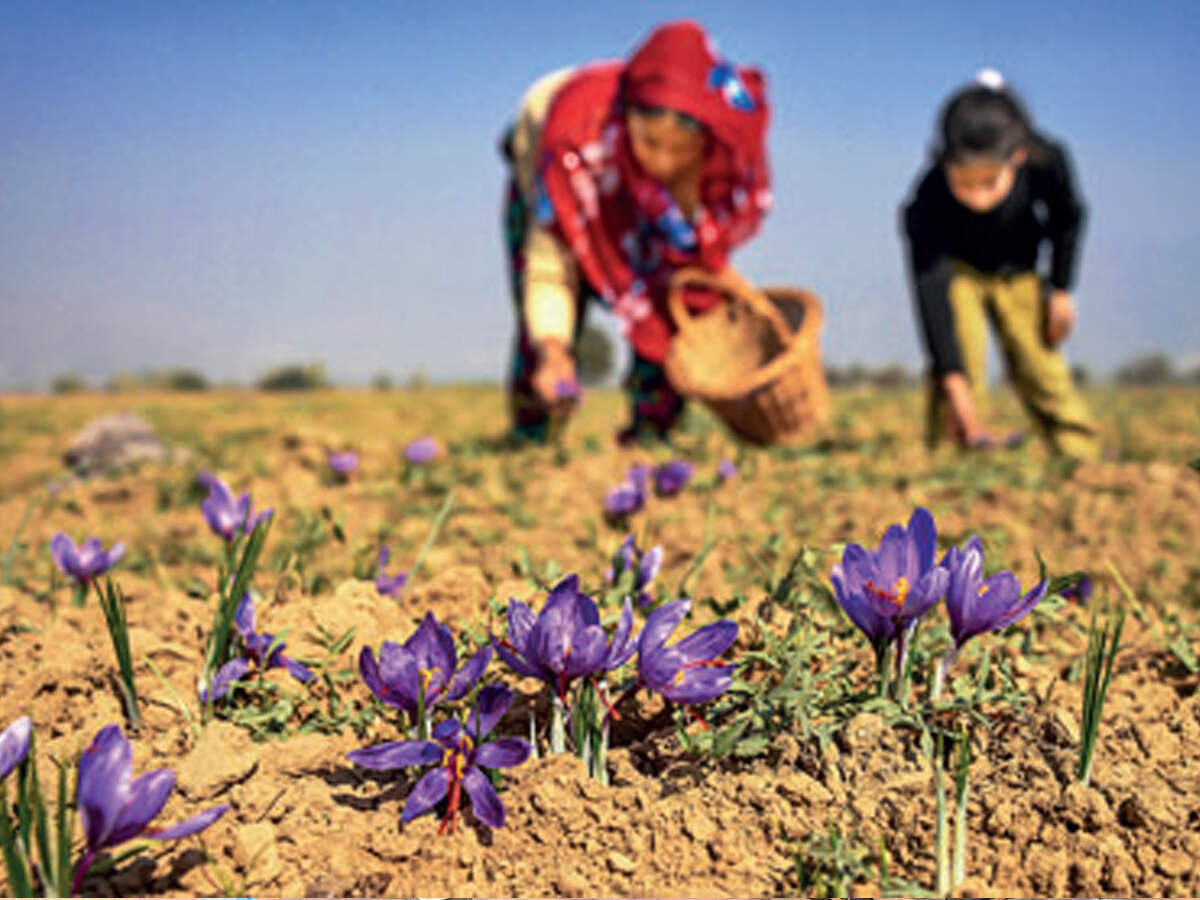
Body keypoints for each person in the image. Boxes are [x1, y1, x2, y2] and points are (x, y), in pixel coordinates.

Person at [499, 20, 771, 443]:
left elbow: (696, 261)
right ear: (628, 122)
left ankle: (652, 430)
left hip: (631, 200)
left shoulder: (719, 149)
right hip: (548, 166)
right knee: (545, 330)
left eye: (678, 150)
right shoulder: (574, 152)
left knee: (668, 298)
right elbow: (548, 267)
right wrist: (553, 350)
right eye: (650, 143)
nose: (662, 162)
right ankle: (534, 431)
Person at [901, 69, 1099, 459]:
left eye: (990, 182)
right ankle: (952, 455)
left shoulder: (1048, 161)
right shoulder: (926, 200)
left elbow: (1069, 218)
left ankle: (1078, 452)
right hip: (957, 272)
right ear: (943, 161)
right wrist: (953, 376)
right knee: (959, 365)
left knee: (1040, 365)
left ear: (1018, 156)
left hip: (1018, 271)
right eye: (963, 182)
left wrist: (1061, 288)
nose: (977, 197)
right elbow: (931, 294)